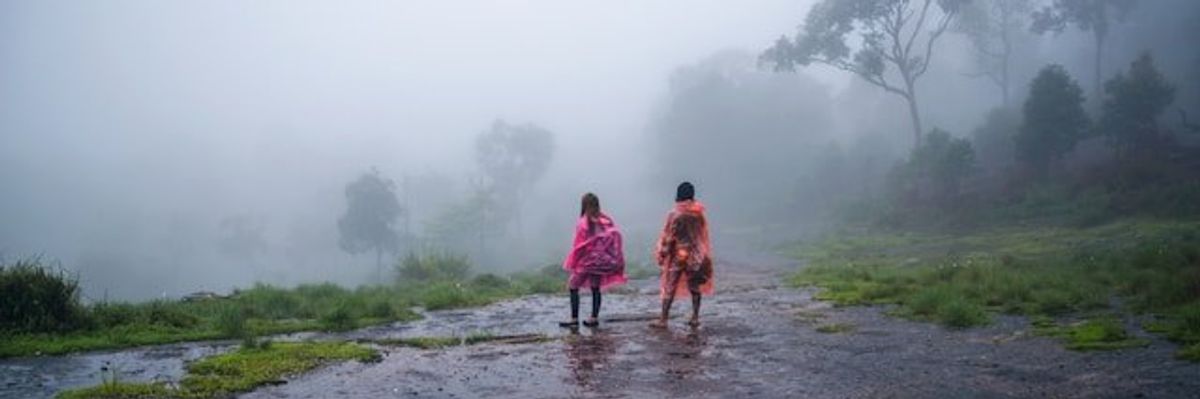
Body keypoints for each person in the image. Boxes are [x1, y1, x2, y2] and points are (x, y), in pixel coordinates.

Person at [650, 182, 713, 328]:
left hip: (678, 254)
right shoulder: (698, 213)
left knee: (670, 285)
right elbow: (701, 235)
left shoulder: (675, 214)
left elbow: (669, 236)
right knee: (694, 286)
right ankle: (695, 317)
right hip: (696, 254)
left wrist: (663, 253)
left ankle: (663, 319)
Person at [560, 193, 627, 328]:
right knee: (595, 288)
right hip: (601, 261)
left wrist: (574, 260)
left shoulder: (584, 222)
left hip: (586, 261)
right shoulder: (605, 220)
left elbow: (579, 244)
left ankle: (574, 319)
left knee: (573, 286)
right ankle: (594, 318)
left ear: (584, 205)